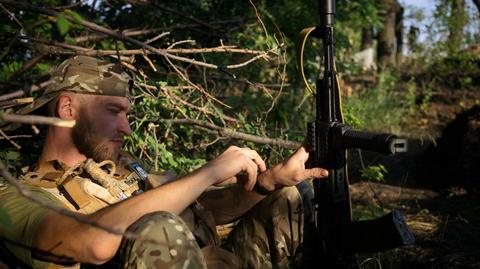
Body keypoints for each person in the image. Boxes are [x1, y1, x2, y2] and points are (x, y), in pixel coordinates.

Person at [0, 56, 328, 269]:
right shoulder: (15, 196)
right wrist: (209, 171)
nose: (127, 128)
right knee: (158, 227)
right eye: (114, 112)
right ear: (68, 109)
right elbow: (94, 244)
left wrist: (266, 184)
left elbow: (203, 211)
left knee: (288, 197)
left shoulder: (121, 169)